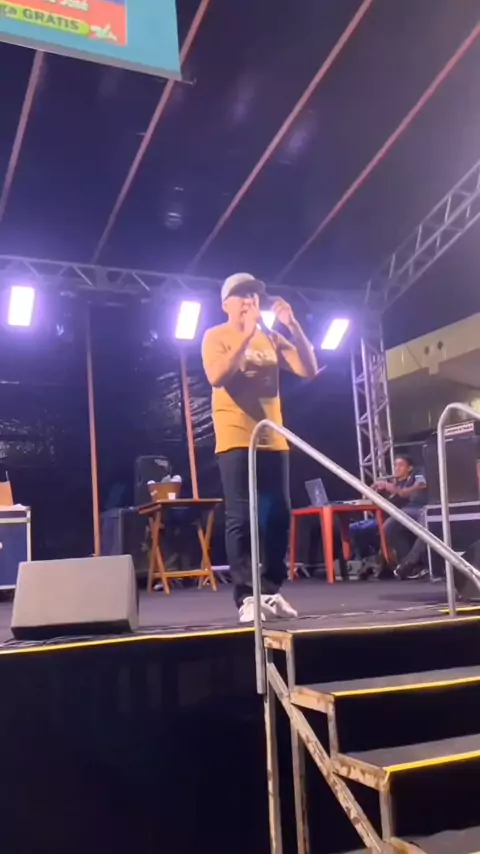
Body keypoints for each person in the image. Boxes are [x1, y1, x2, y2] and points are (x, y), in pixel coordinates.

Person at [202, 273, 318, 622]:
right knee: (241, 517)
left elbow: (308, 369)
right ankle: (246, 597)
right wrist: (246, 334)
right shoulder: (216, 336)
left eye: (253, 294)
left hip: (273, 438)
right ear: (226, 304)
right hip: (236, 438)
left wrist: (293, 326)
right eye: (242, 295)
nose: (250, 300)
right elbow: (217, 376)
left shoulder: (271, 337)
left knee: (278, 515)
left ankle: (269, 590)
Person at [350, 454, 428, 579]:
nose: (397, 468)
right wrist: (371, 491)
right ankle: (409, 566)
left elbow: (418, 488)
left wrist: (394, 489)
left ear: (410, 468)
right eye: (395, 465)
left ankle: (410, 564)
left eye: (401, 465)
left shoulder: (417, 475)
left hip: (420, 508)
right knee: (388, 526)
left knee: (395, 522)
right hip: (402, 512)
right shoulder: (397, 483)